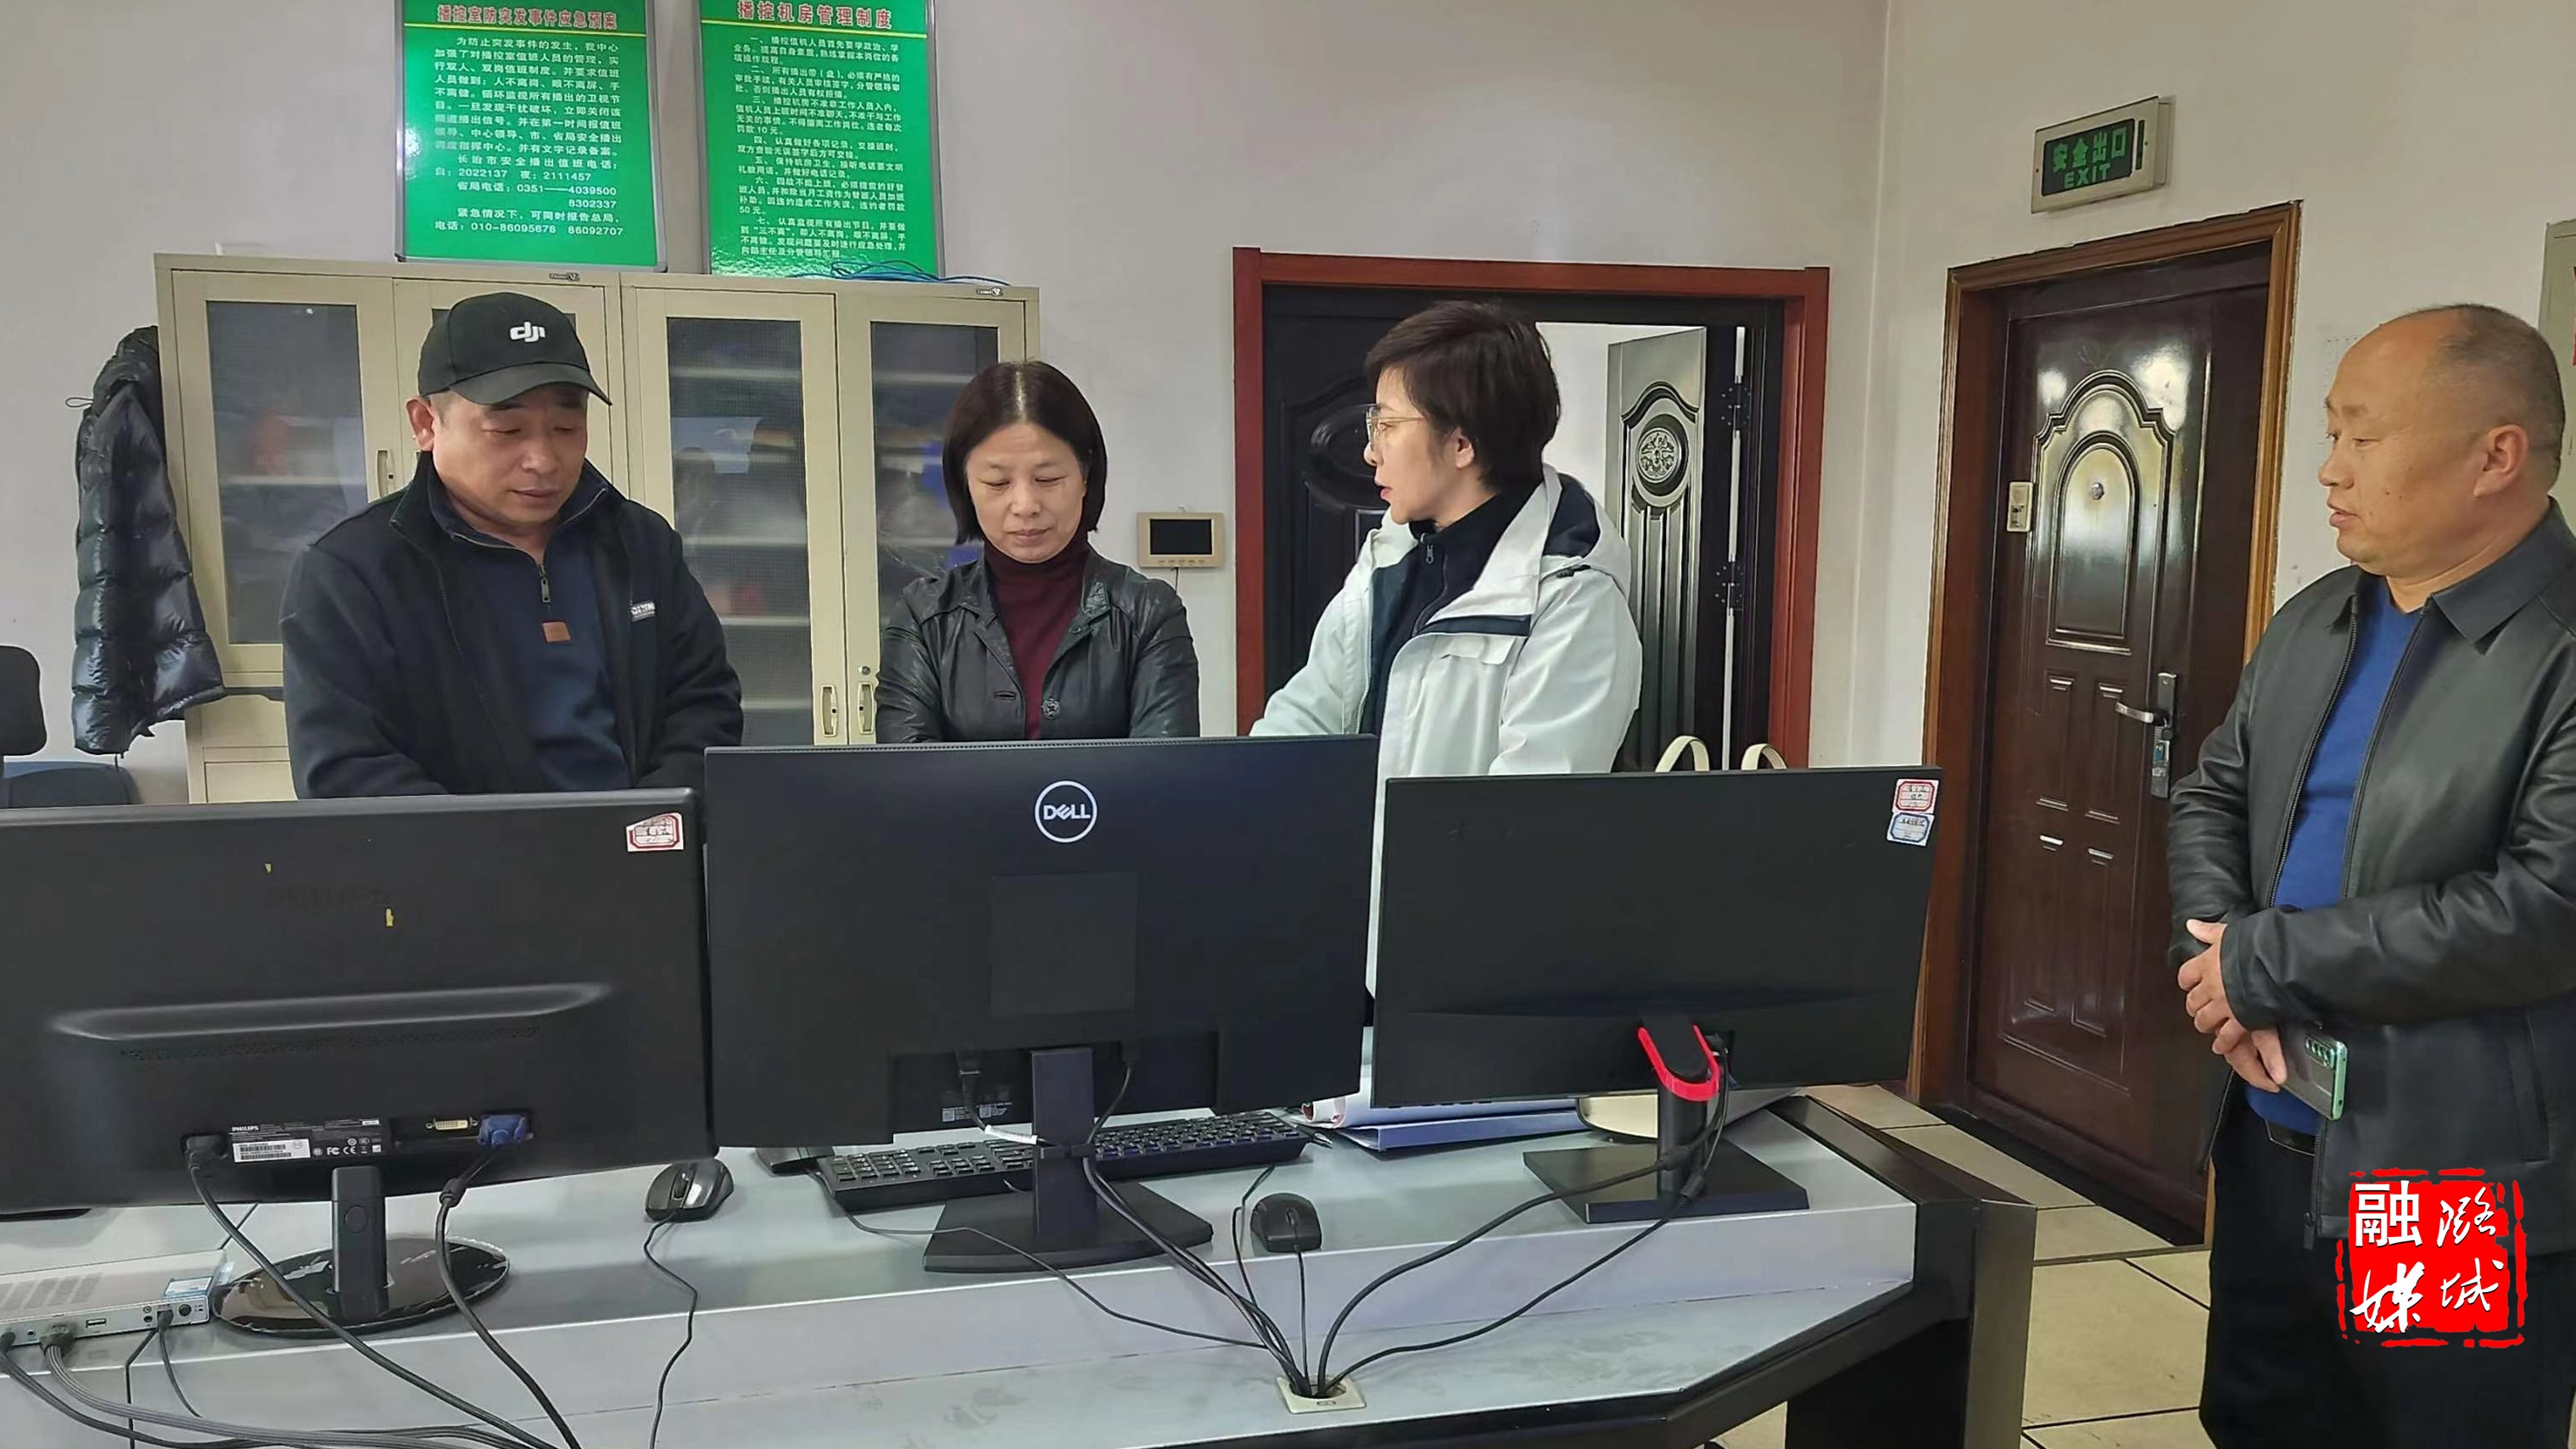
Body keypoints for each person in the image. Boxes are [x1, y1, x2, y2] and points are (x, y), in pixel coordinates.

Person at [2168, 304, 2576, 1446]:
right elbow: (2212, 793)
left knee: (2431, 1431)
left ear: (2494, 456)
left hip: (2442, 1170)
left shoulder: (2559, 649)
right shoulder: (2321, 617)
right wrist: (2214, 961)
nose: (2330, 470)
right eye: (2330, 434)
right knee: (2264, 1417)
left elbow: (2547, 907)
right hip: (2271, 1127)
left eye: (2363, 435)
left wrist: (2261, 963)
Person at [282, 292, 741, 797]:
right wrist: (500, 840)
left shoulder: (639, 542)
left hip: (644, 838)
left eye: (566, 428)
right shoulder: (354, 571)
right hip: (462, 849)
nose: (543, 460)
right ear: (426, 424)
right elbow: (347, 769)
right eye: (507, 430)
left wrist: (650, 822)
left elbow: (704, 704)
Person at [1251, 300, 1642, 780]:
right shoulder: (1393, 555)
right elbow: (1308, 716)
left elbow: (1529, 805)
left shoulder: (1572, 599)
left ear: (1461, 444)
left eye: (1388, 425)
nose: (1371, 451)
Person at [876, 361, 1199, 742]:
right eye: (997, 482)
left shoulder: (1148, 614)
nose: (1026, 505)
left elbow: (1163, 769)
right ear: (965, 485)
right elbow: (908, 772)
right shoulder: (924, 618)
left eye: (1048, 479)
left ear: (1085, 475)